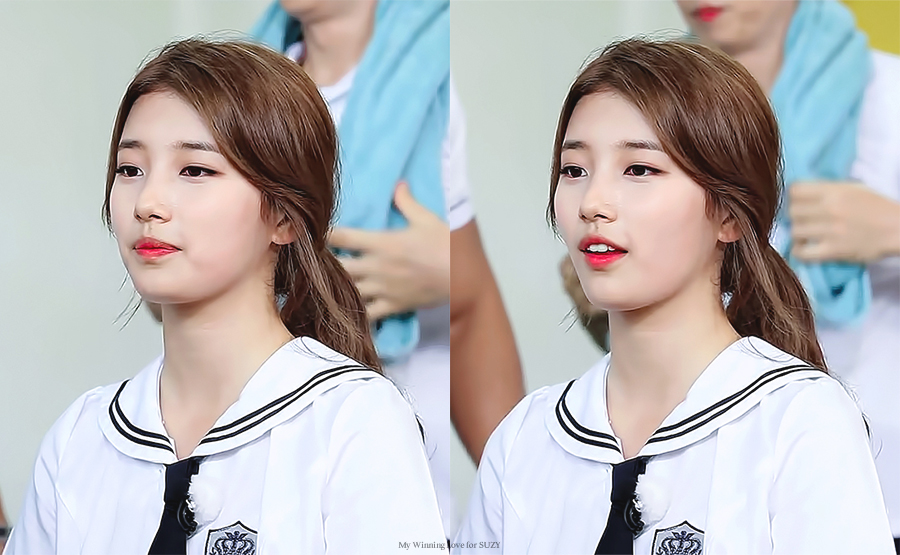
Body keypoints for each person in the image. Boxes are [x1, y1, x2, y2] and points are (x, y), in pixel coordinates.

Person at [5, 38, 445, 554]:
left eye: (195, 170)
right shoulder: (79, 438)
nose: (148, 202)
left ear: (283, 217)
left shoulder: (354, 420)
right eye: (130, 169)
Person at [455, 38, 893, 554]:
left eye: (639, 169)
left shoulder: (799, 420)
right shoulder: (524, 439)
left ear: (730, 215)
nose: (592, 202)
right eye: (574, 170)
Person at [565, 0, 900, 546]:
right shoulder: (644, 108)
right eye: (573, 170)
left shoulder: (889, 93)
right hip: (709, 471)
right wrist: (613, 301)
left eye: (640, 168)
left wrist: (894, 230)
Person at [251, 0, 524, 534]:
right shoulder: (236, 93)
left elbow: (470, 309)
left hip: (404, 459)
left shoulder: (427, 90)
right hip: (262, 452)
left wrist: (524, 507)